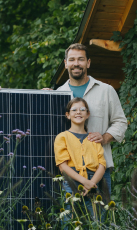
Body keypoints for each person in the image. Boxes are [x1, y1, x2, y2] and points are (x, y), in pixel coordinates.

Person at [53, 44, 127, 192]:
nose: (76, 63)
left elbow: (120, 122)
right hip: (70, 168)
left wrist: (105, 138)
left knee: (101, 214)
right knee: (73, 214)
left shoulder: (106, 90)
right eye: (72, 59)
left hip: (99, 168)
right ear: (66, 63)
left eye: (81, 59)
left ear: (88, 63)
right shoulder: (57, 94)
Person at [54, 98, 108, 197]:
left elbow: (102, 165)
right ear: (68, 115)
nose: (78, 112)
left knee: (93, 212)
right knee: (71, 212)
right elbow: (62, 166)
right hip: (71, 181)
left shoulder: (93, 138)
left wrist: (90, 184)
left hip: (93, 182)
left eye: (82, 109)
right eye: (74, 110)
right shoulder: (62, 137)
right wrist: (84, 182)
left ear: (88, 114)